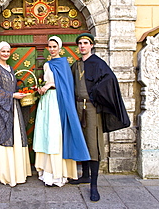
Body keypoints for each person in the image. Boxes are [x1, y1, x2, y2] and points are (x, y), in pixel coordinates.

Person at [70, 33, 131, 201]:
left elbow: (110, 80)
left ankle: (94, 186)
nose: (82, 46)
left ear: (91, 45)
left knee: (93, 145)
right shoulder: (76, 65)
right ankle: (85, 175)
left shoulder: (98, 63)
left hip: (91, 109)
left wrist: (96, 94)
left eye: (85, 43)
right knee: (81, 142)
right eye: (80, 43)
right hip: (77, 108)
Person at [33, 36, 90, 187]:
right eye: (49, 47)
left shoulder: (64, 64)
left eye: (54, 46)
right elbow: (47, 82)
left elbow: (65, 85)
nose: (51, 49)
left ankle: (58, 174)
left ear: (60, 48)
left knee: (55, 134)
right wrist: (41, 88)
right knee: (46, 134)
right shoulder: (46, 64)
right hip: (47, 102)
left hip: (58, 103)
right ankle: (47, 172)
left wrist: (50, 85)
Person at [0, 41, 32, 187]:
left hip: (14, 107)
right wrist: (12, 95)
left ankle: (18, 173)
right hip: (2, 109)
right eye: (3, 52)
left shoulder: (10, 68)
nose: (6, 54)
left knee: (16, 137)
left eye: (8, 51)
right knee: (5, 137)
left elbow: (14, 86)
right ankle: (7, 174)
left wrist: (25, 92)